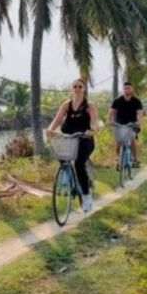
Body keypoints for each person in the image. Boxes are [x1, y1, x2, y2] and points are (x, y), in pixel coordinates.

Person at [45, 79, 100, 212]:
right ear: (72, 89)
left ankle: (86, 196)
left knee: (79, 164)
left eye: (80, 86)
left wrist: (92, 129)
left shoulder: (89, 105)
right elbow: (57, 120)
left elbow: (94, 122)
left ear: (84, 89)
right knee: (61, 157)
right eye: (75, 86)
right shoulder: (67, 105)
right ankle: (66, 177)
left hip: (84, 140)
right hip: (68, 139)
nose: (77, 89)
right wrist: (50, 129)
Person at [109, 81, 143, 168]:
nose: (127, 90)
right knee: (118, 142)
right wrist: (110, 121)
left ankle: (135, 159)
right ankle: (117, 159)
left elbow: (140, 113)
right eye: (125, 88)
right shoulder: (117, 101)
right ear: (123, 90)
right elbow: (111, 112)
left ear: (132, 89)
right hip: (119, 124)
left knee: (132, 139)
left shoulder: (136, 101)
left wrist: (138, 122)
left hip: (132, 124)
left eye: (128, 88)